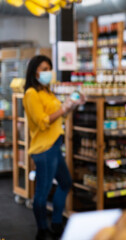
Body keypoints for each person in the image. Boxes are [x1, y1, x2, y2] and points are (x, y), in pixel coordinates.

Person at [23, 55, 84, 240]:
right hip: (44, 149)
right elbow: (42, 122)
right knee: (42, 191)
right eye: (43, 68)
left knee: (65, 183)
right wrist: (63, 109)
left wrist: (72, 106)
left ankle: (56, 222)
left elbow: (60, 118)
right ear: (34, 71)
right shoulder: (31, 94)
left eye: (49, 68)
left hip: (55, 146)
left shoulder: (47, 92)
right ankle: (42, 229)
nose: (48, 72)